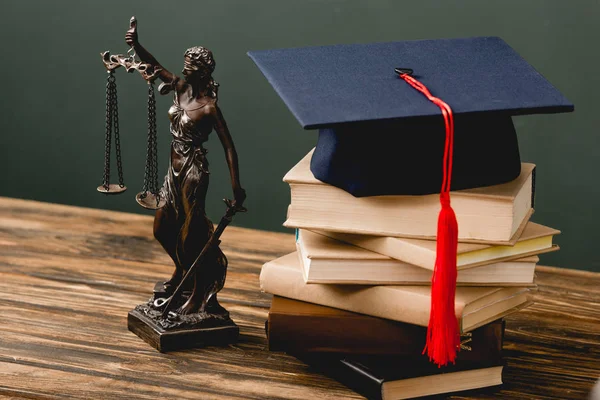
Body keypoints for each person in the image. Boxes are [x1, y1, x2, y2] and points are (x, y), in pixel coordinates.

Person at [126, 27, 246, 316]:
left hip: (193, 171)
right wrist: (136, 44)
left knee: (190, 237)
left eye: (190, 65)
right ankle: (184, 272)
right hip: (172, 169)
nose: (183, 67)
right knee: (161, 228)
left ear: (201, 72)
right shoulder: (178, 86)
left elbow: (229, 147)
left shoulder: (209, 108)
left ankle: (199, 293)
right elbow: (154, 66)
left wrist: (236, 187)